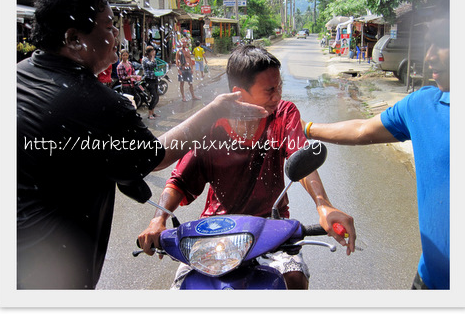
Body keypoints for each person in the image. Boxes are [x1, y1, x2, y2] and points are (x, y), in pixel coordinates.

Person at [17, 0, 268, 290]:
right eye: (109, 28)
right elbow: (155, 156)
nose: (118, 40)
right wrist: (214, 111)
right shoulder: (97, 101)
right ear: (73, 38)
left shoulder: (15, 79)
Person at [138, 45, 356, 290]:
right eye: (270, 90)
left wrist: (323, 204)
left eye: (280, 87)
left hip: (271, 229)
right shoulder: (211, 125)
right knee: (183, 289)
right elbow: (179, 180)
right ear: (238, 94)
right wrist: (158, 219)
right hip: (214, 230)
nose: (278, 96)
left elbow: (299, 156)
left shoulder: (284, 114)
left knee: (294, 280)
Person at [302, 14, 450, 290]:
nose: (430, 57)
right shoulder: (422, 104)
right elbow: (361, 130)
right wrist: (306, 128)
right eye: (428, 46)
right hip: (429, 281)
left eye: (442, 44)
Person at [176, 37, 200, 102]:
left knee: (190, 83)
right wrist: (179, 70)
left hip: (188, 68)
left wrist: (192, 68)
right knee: (182, 83)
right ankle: (183, 97)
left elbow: (189, 59)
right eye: (183, 42)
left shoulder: (188, 50)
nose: (184, 43)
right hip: (182, 68)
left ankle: (193, 95)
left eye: (185, 42)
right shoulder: (179, 51)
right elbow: (177, 61)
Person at [141, 45, 160, 119]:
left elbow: (155, 66)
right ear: (148, 52)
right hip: (149, 79)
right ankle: (149, 113)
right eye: (152, 51)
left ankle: (153, 112)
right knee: (153, 96)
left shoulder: (153, 59)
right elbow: (151, 65)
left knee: (156, 97)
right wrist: (152, 58)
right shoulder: (145, 59)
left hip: (154, 78)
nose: (154, 53)